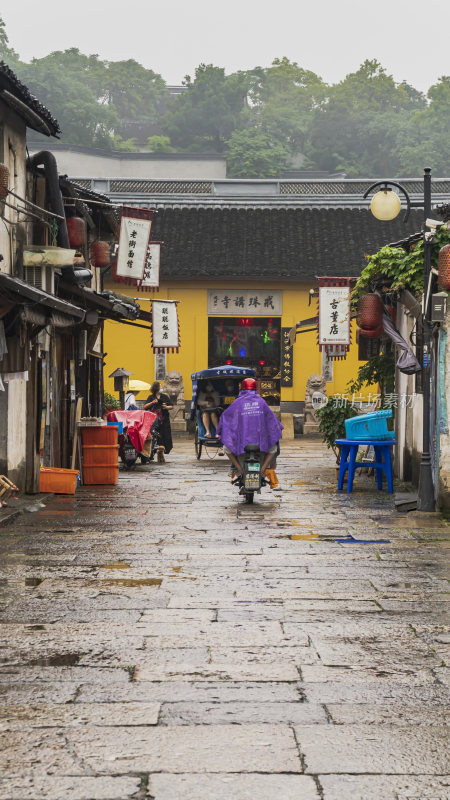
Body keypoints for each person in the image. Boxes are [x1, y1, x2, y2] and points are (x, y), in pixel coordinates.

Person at [216, 377, 283, 479]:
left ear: (242, 389)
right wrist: (278, 428)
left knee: (226, 448)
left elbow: (226, 416)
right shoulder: (261, 402)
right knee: (274, 448)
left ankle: (239, 468)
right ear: (255, 388)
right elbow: (272, 420)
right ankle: (263, 469)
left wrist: (220, 430)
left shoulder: (237, 402)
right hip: (260, 442)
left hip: (242, 442)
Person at [143, 381, 173, 454]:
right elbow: (145, 407)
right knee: (155, 434)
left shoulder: (165, 396)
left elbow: (172, 406)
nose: (161, 388)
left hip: (164, 419)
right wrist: (152, 403)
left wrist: (166, 407)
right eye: (160, 387)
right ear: (156, 388)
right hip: (154, 420)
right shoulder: (151, 397)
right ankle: (155, 448)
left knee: (166, 434)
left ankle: (166, 449)